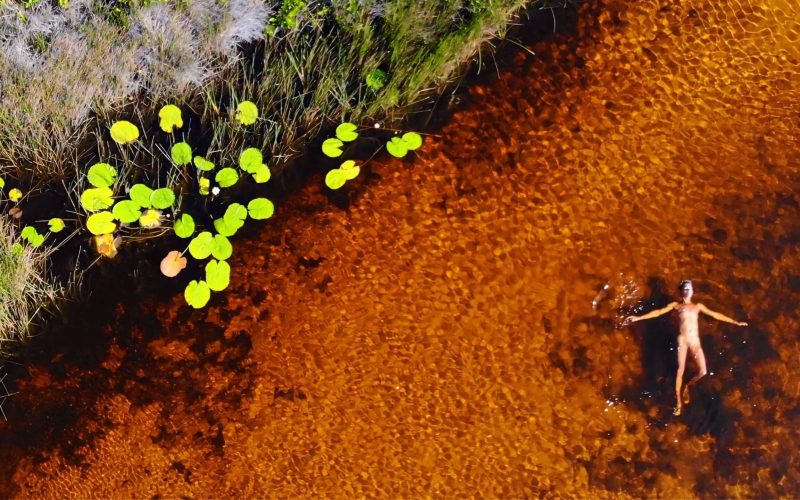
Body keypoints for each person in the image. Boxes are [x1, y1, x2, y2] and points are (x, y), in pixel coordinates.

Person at [625, 280, 748, 416]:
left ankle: (688, 385)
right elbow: (657, 312)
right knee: (680, 370)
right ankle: (678, 401)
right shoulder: (676, 306)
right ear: (681, 291)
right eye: (685, 289)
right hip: (682, 340)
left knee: (703, 371)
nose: (687, 291)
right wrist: (638, 318)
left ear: (693, 291)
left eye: (689, 289)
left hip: (695, 341)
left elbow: (715, 314)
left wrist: (735, 322)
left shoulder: (698, 306)